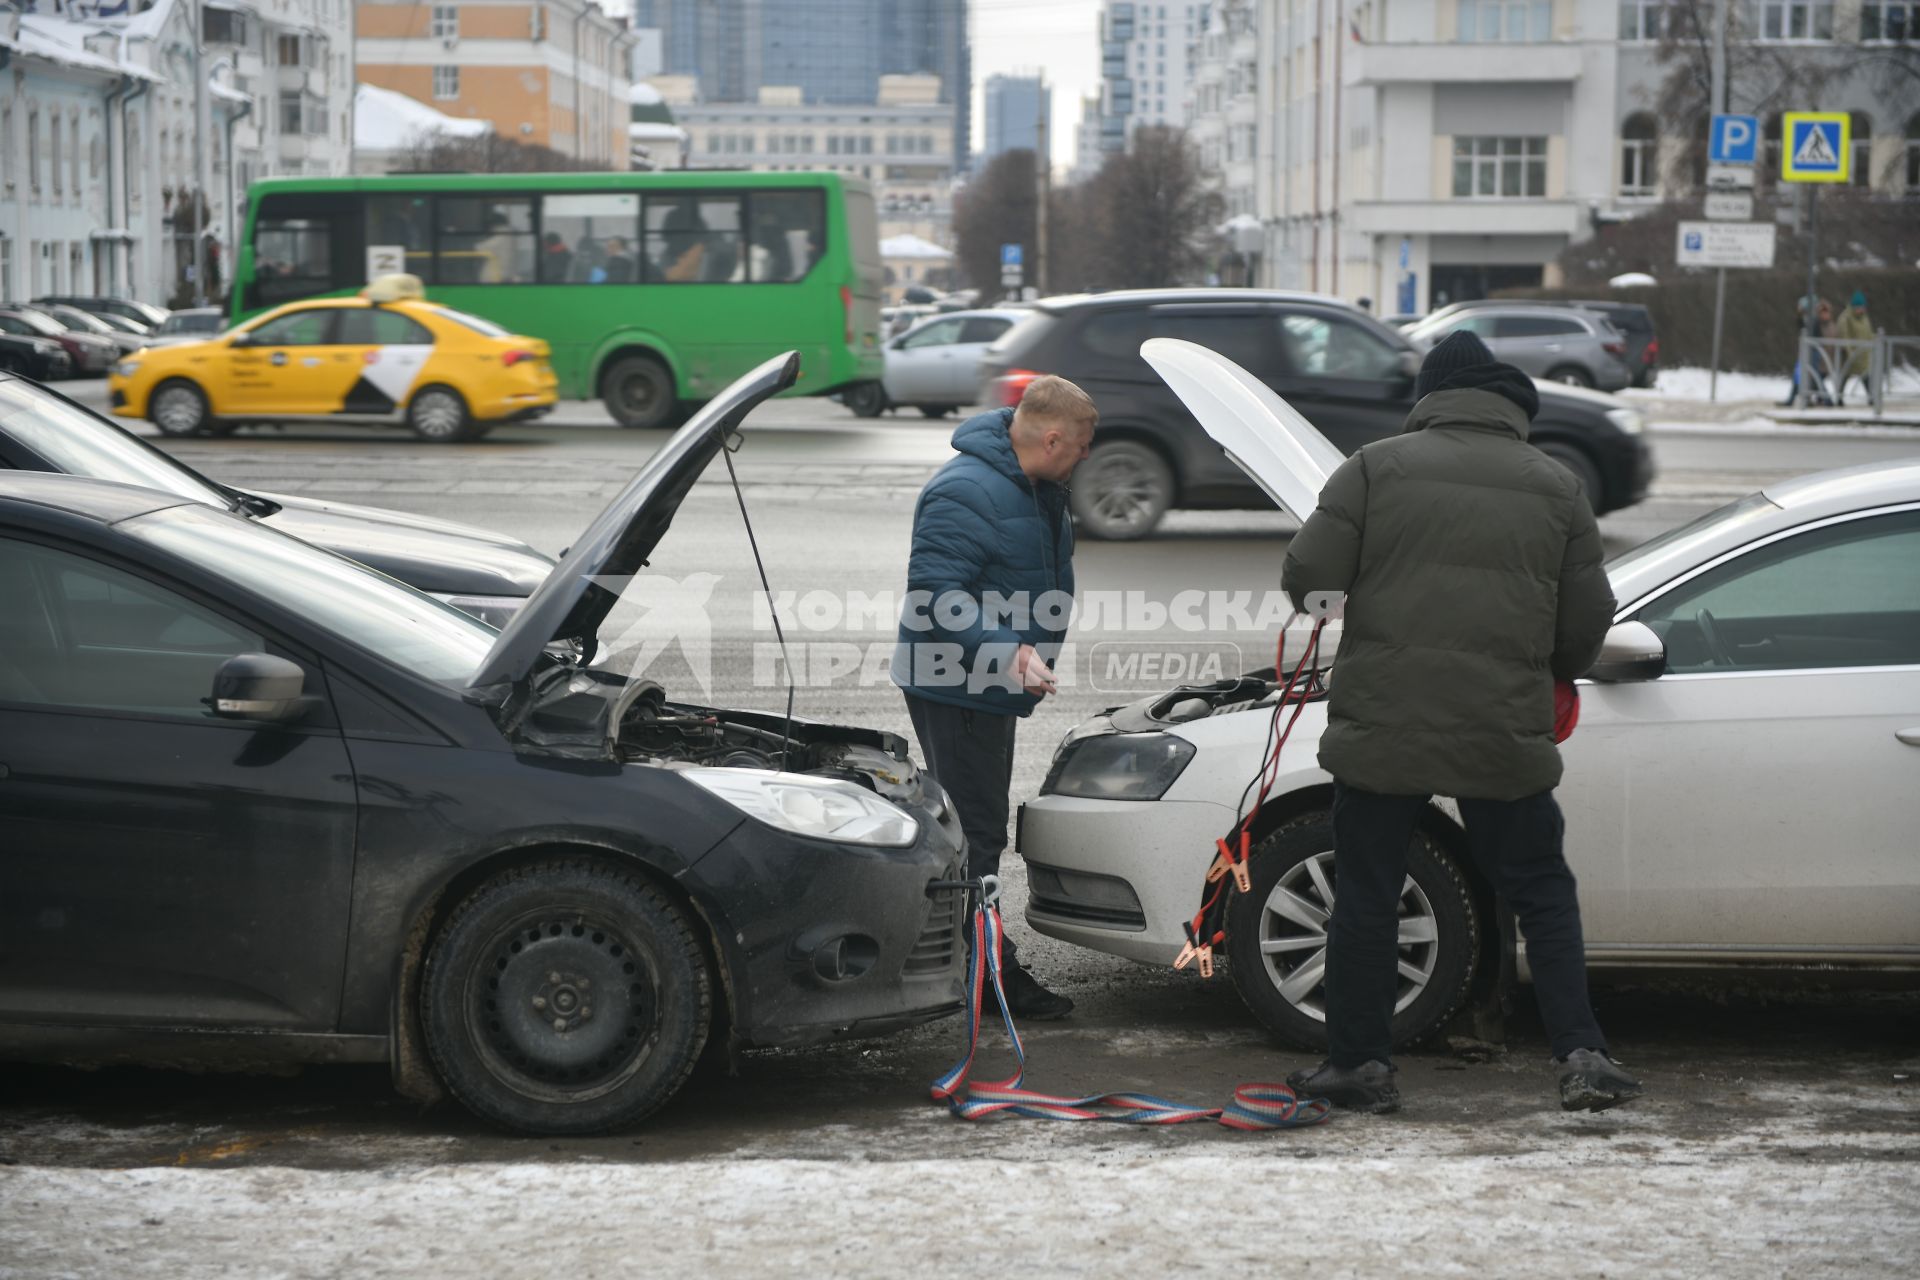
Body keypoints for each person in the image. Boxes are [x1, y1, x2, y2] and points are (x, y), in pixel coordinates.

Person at [1279, 330, 1644, 1115]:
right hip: (1500, 724)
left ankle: (1358, 1067)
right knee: (1542, 888)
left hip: (1386, 719)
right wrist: (1552, 668)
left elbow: (1309, 576)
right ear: (1511, 407)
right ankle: (1582, 1053)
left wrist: (1346, 603)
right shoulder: (1558, 484)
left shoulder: (1375, 467)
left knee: (1369, 890)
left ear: (1431, 400)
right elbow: (1589, 617)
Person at [892, 376, 1097, 1020]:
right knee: (975, 834)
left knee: (972, 826)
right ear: (1054, 437)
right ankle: (984, 974)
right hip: (957, 682)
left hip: (986, 681)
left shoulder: (1032, 486)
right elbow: (934, 592)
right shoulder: (965, 491)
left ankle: (965, 959)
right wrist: (1008, 651)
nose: (1087, 457)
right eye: (1084, 445)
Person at [1836, 290, 1875, 404]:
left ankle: (1871, 398)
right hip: (1851, 354)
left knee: (1866, 377)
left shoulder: (1864, 318)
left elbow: (1868, 334)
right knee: (1845, 376)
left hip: (1863, 355)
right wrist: (1850, 352)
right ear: (1853, 307)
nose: (1861, 309)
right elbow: (1844, 335)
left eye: (1862, 307)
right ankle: (1839, 398)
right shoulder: (1845, 318)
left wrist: (1876, 339)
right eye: (1858, 307)